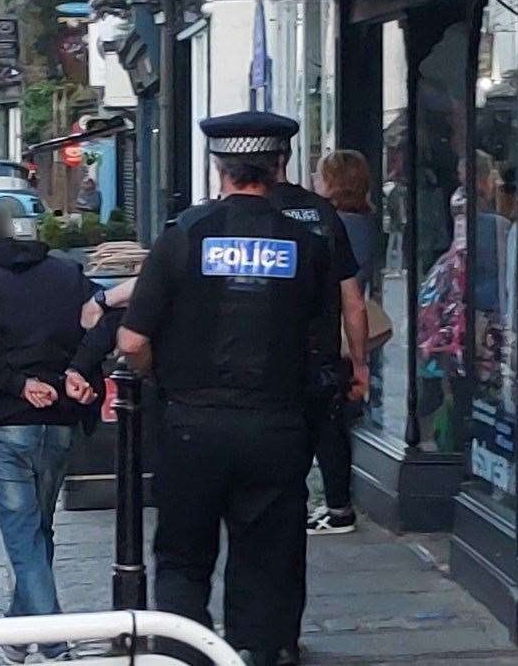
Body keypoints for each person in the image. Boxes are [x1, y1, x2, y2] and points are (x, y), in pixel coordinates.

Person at [118, 111, 331, 666]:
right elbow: (323, 341)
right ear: (279, 164)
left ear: (221, 167)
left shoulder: (183, 237)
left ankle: (187, 655)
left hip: (192, 425)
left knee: (183, 556)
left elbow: (133, 338)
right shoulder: (306, 243)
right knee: (267, 558)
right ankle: (258, 652)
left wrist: (153, 375)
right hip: (276, 425)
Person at [0, 205, 126, 663]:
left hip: (6, 420)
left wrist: (18, 385)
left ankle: (54, 641)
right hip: (60, 419)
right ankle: (19, 633)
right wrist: (80, 369)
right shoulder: (67, 273)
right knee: (37, 531)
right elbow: (107, 319)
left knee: (24, 534)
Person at [261, 124, 368, 537]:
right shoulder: (323, 214)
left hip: (265, 357)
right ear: (285, 159)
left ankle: (289, 509)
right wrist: (359, 363)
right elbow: (352, 300)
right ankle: (337, 507)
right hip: (319, 354)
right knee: (327, 428)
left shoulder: (246, 213)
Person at [308, 149, 379, 534]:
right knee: (333, 421)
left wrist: (358, 358)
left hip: (334, 332)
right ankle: (334, 502)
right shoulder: (363, 220)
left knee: (328, 424)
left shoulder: (336, 224)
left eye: (320, 176)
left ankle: (335, 504)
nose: (316, 183)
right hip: (345, 329)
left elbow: (347, 295)